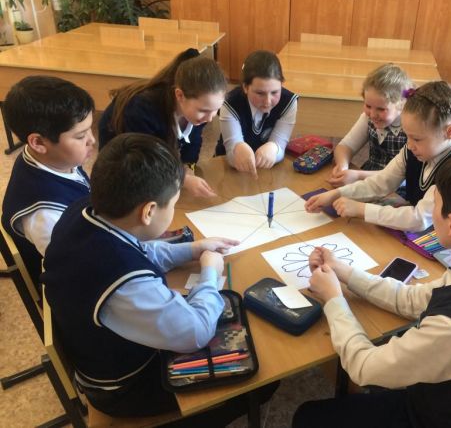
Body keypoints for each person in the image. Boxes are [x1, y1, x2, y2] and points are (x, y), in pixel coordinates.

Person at [294, 150, 451, 428]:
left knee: (308, 418)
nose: (430, 211)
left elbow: (363, 367)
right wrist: (345, 273)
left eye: (434, 203)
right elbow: (412, 298)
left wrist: (333, 300)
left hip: (439, 419)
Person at [41, 133, 277, 423]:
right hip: (126, 387)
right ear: (149, 211)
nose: (173, 210)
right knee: (265, 380)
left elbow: (136, 248)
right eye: (173, 204)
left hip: (102, 349)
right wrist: (210, 275)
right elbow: (195, 333)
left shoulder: (84, 209)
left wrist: (191, 250)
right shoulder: (126, 282)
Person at [305, 81, 451, 233]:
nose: (409, 145)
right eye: (407, 136)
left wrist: (362, 210)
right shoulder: (414, 149)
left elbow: (418, 219)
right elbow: (381, 183)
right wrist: (336, 194)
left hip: (449, 240)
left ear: (449, 132)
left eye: (416, 139)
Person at [1, 76, 95, 281]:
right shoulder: (45, 216)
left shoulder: (53, 159)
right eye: (81, 136)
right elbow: (80, 269)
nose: (92, 140)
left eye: (90, 129)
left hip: (87, 232)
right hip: (75, 277)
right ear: (38, 142)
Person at [99, 49, 227, 198]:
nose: (210, 118)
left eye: (215, 110)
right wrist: (182, 178)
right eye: (204, 111)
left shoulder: (199, 110)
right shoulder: (142, 110)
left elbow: (193, 140)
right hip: (122, 164)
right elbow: (147, 162)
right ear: (180, 95)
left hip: (149, 154)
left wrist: (187, 166)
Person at [328, 63, 413, 187]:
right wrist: (343, 166)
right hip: (368, 180)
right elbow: (345, 146)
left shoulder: (412, 128)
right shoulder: (368, 118)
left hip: (397, 187)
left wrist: (358, 176)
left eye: (381, 109)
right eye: (368, 106)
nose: (372, 115)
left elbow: (403, 176)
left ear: (402, 105)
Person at [215, 50, 298, 176]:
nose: (268, 101)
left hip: (267, 171)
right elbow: (231, 156)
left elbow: (280, 145)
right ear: (245, 87)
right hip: (229, 171)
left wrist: (274, 148)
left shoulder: (289, 102)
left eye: (275, 92)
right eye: (260, 93)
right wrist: (237, 148)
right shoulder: (230, 103)